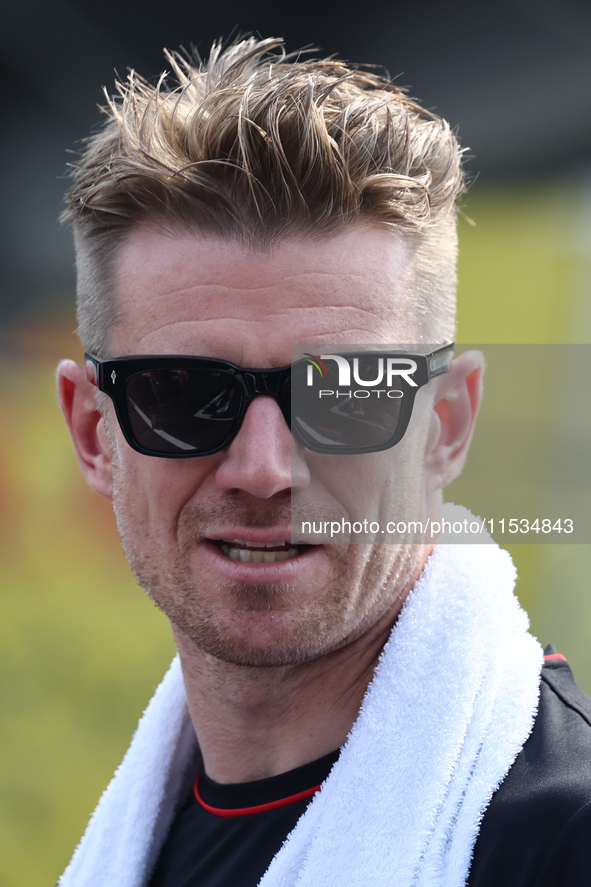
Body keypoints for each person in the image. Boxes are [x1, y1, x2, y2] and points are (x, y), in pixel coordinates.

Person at [55, 37, 591, 887]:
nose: (263, 468)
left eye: (342, 391)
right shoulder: (139, 841)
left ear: (445, 425)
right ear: (92, 431)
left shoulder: (560, 839)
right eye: (184, 394)